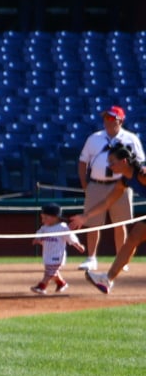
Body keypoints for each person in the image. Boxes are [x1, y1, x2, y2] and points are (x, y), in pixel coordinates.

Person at [76, 103, 144, 273]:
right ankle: (100, 264)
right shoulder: (94, 138)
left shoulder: (140, 171)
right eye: (105, 117)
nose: (107, 121)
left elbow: (142, 162)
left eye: (111, 118)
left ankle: (120, 261)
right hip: (98, 184)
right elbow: (106, 202)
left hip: (122, 183)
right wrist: (85, 216)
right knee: (130, 236)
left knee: (122, 225)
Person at [32, 204, 84, 294]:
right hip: (47, 254)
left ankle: (42, 286)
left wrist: (78, 245)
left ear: (55, 218)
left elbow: (70, 237)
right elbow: (39, 235)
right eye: (42, 218)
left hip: (57, 255)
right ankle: (61, 283)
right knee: (52, 271)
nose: (42, 220)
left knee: (49, 272)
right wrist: (37, 239)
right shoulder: (44, 228)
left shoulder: (62, 227)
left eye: (45, 218)